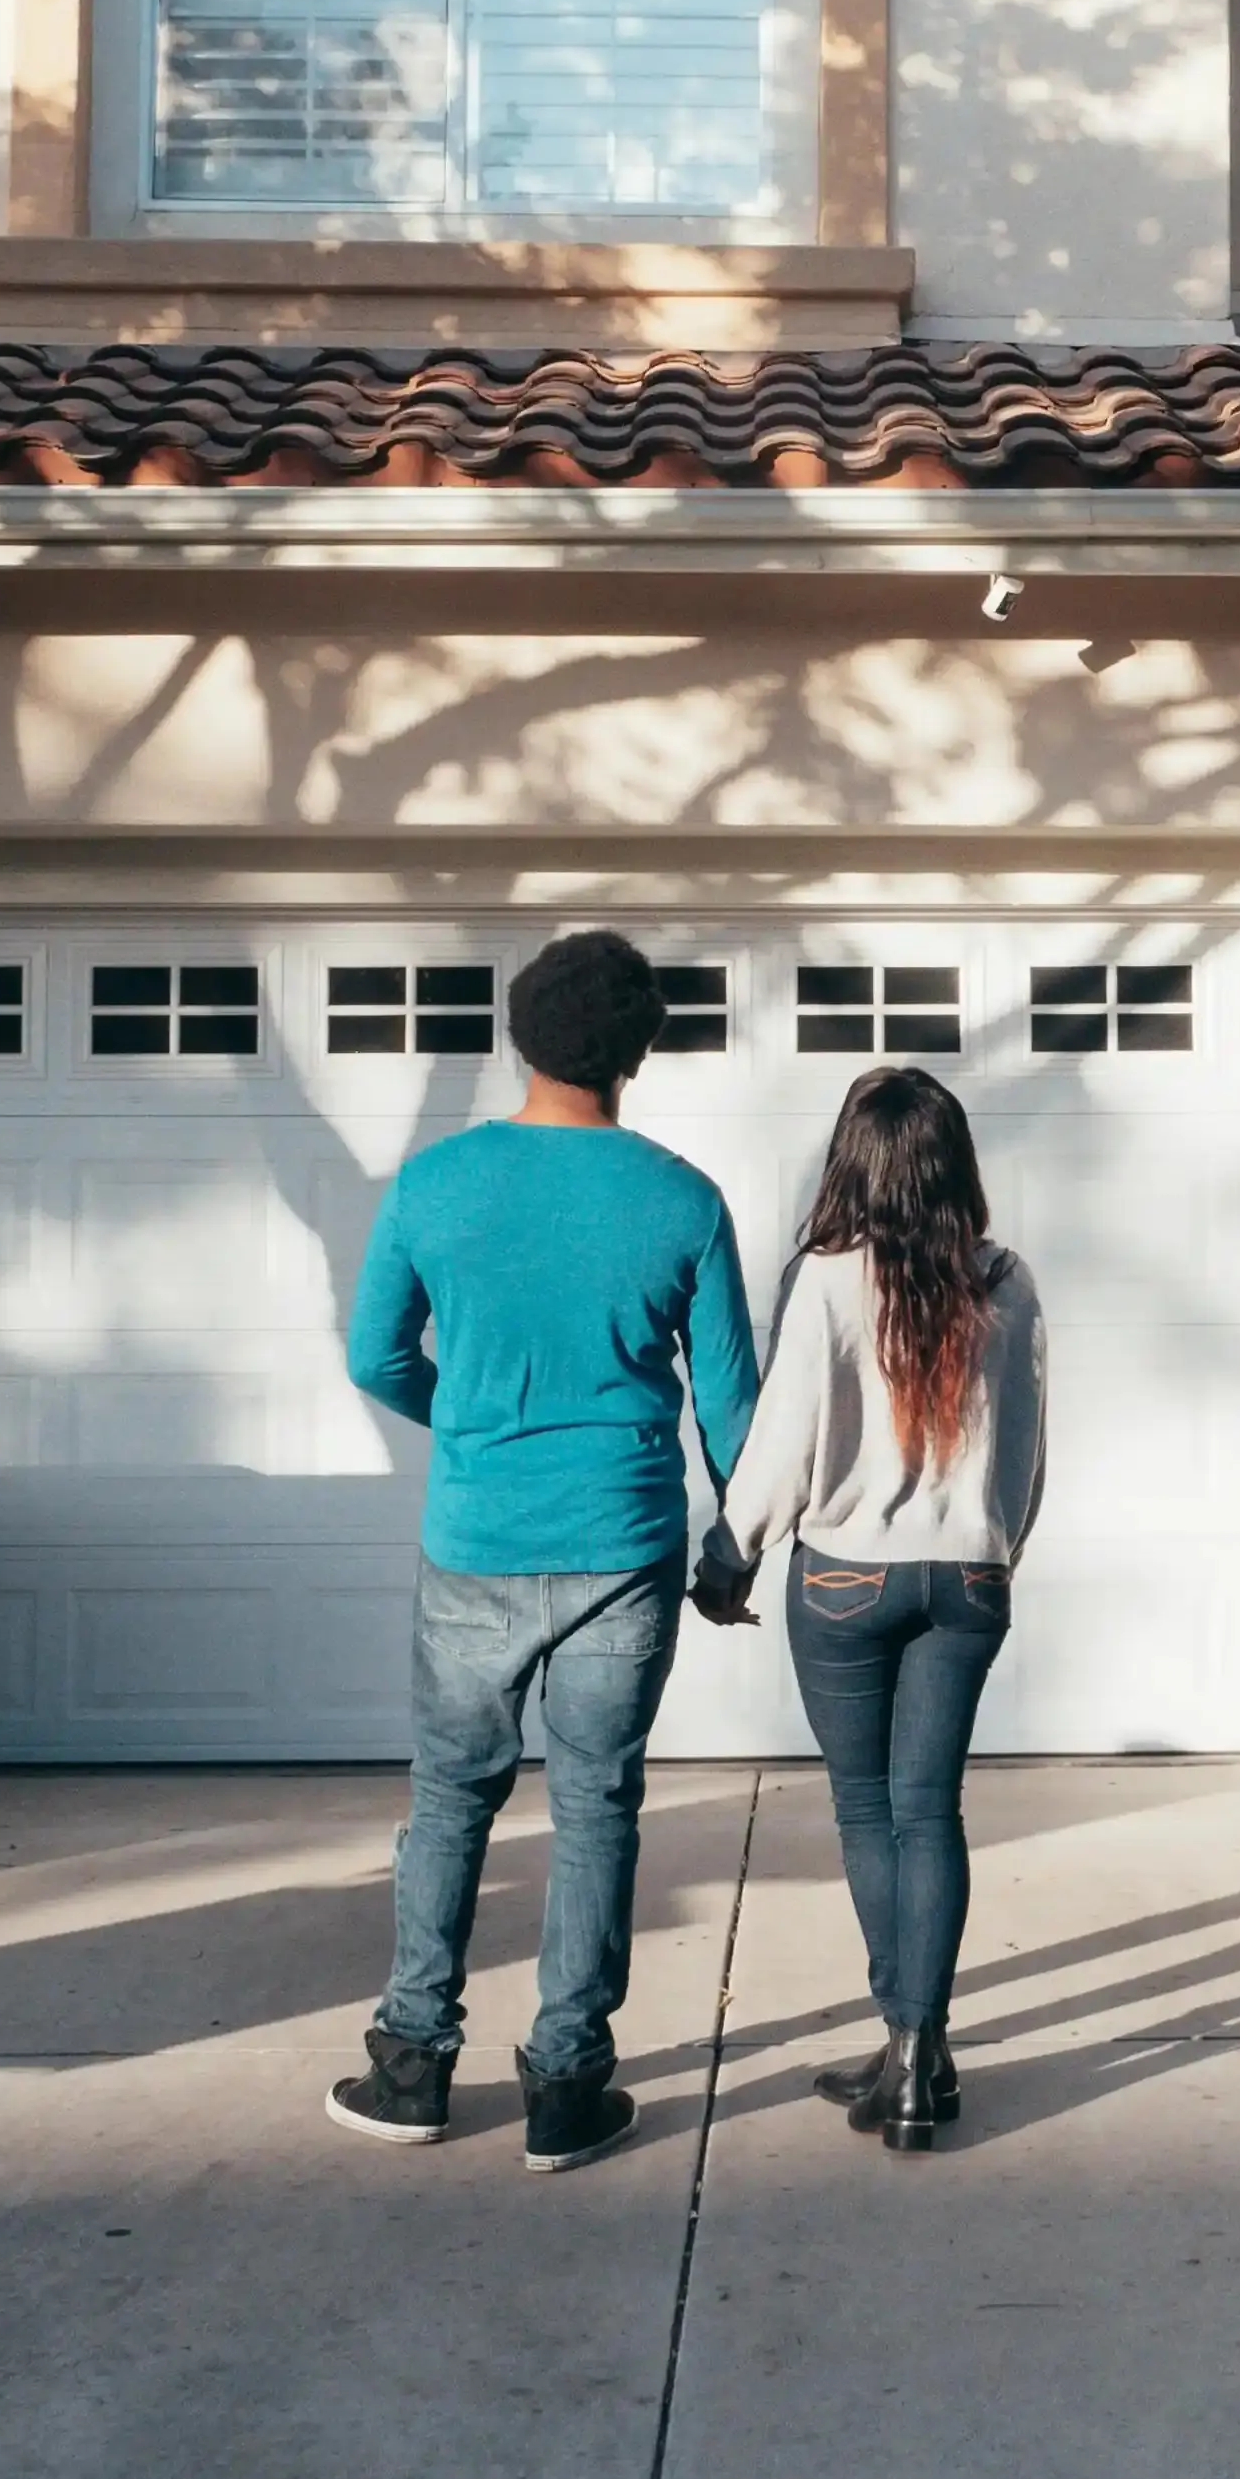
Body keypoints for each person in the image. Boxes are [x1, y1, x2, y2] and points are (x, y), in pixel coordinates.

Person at [327, 928, 758, 2174]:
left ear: (518, 1037)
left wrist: (461, 1419)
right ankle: (568, 2086)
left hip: (476, 1540)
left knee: (450, 1801)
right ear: (638, 1051)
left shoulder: (435, 1184)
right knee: (596, 1806)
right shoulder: (681, 1198)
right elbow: (733, 1411)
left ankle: (412, 2064)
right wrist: (738, 1545)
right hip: (622, 1546)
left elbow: (373, 1358)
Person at [691, 1067, 1045, 2152]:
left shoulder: (830, 1277)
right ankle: (916, 2053)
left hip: (846, 1578)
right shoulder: (1005, 1277)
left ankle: (903, 2047)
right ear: (953, 1162)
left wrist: (728, 1551)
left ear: (854, 1161)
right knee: (927, 1810)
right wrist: (995, 1551)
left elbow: (785, 1437)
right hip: (966, 1580)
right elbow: (1024, 1448)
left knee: (865, 1811)